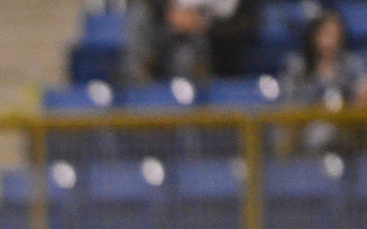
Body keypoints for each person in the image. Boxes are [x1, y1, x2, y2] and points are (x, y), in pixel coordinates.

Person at [281, 10, 367, 155]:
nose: (332, 40)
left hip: (347, 128)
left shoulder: (351, 63)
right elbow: (290, 104)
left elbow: (362, 90)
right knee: (320, 134)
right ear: (314, 36)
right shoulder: (298, 66)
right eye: (326, 34)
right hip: (309, 129)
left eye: (336, 35)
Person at [122, 0, 260, 85]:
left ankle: (187, 122)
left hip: (214, 49)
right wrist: (170, 13)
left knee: (184, 58)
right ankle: (138, 78)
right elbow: (156, 7)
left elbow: (247, 27)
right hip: (168, 39)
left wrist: (204, 26)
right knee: (139, 14)